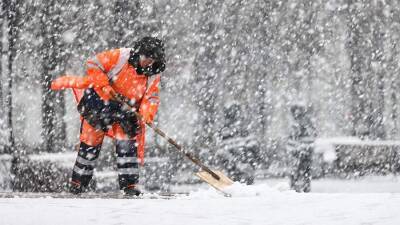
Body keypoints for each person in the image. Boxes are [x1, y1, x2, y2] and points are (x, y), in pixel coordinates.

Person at [51, 37, 166, 196]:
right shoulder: (120, 56)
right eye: (146, 58)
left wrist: (146, 115)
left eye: (153, 60)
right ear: (139, 53)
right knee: (90, 142)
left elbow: (151, 98)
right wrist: (104, 85)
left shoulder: (154, 73)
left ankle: (130, 185)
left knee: (127, 143)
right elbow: (93, 63)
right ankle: (78, 183)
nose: (149, 63)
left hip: (127, 110)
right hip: (100, 103)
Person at [287, 103, 317, 193]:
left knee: (300, 171)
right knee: (302, 171)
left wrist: (301, 147)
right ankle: (300, 187)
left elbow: (311, 137)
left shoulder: (304, 122)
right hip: (299, 151)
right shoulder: (298, 123)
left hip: (302, 151)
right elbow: (291, 138)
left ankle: (299, 187)